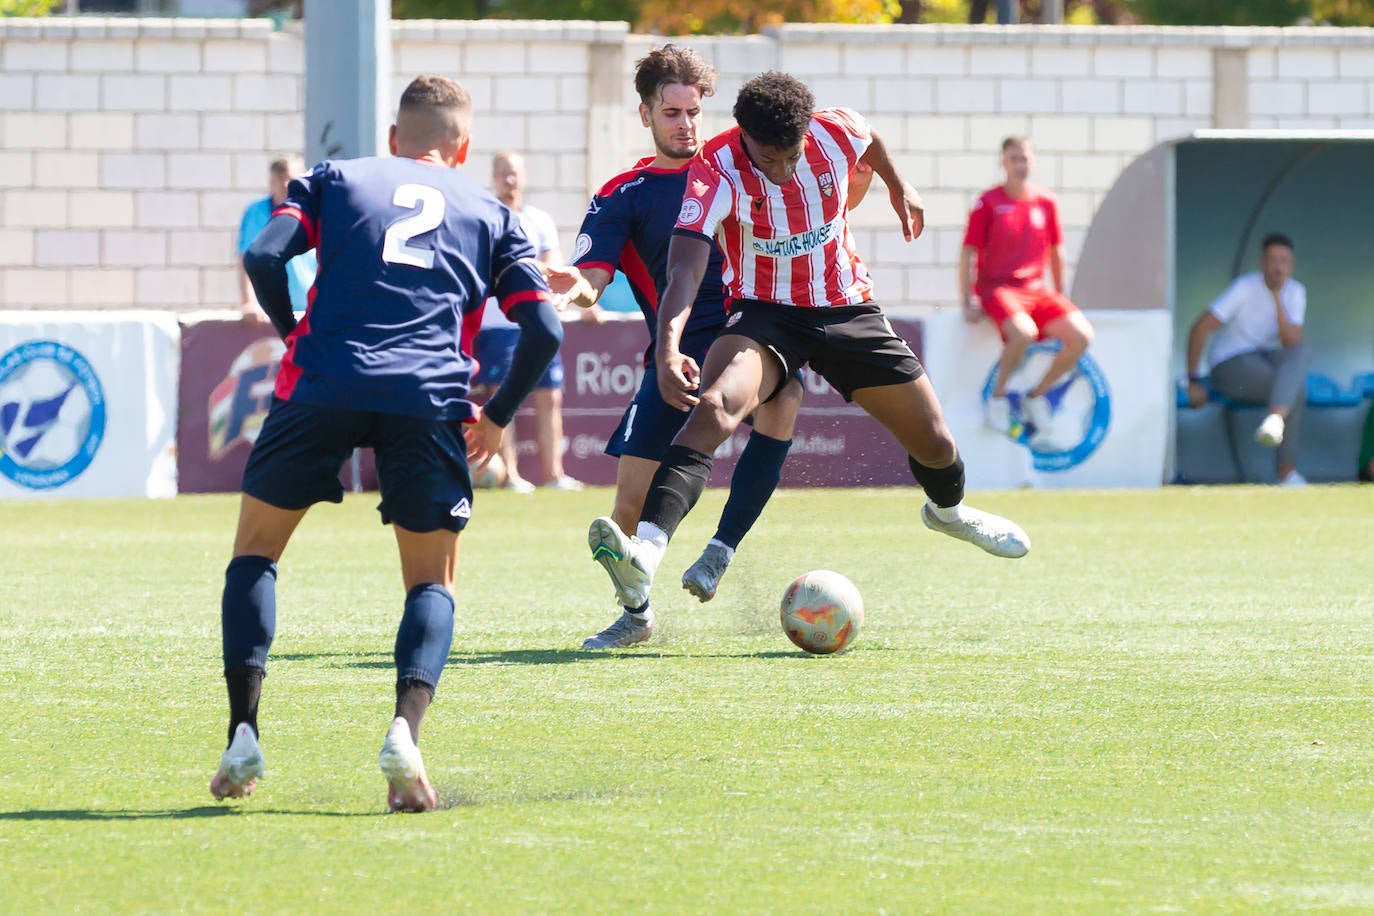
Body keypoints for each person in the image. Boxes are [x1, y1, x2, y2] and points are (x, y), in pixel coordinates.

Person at [212, 75, 562, 812]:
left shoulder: (333, 178)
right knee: (431, 584)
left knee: (254, 554)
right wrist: (496, 417)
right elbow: (546, 330)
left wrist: (293, 337)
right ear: (462, 148)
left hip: (320, 382)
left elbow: (264, 259)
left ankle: (244, 734)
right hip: (428, 399)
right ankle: (405, 735)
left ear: (395, 139)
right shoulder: (494, 213)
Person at [585, 71, 1030, 618]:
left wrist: (898, 184)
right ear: (744, 136)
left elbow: (871, 139)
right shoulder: (715, 168)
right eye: (770, 159)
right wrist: (667, 346)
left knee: (935, 441)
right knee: (717, 407)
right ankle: (644, 559)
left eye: (791, 156)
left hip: (846, 307)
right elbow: (684, 266)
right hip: (764, 313)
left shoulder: (835, 130)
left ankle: (950, 513)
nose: (783, 170)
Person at [548, 45, 805, 650]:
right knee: (626, 507)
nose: (685, 124)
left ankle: (720, 550)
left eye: (693, 112)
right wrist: (578, 288)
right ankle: (636, 612)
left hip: (752, 335)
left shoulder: (737, 168)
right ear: (645, 115)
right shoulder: (624, 193)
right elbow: (597, 274)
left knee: (784, 396)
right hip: (676, 353)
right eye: (671, 113)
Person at [959, 136, 1095, 442]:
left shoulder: (1046, 201)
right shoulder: (988, 202)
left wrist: (1060, 292)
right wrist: (967, 301)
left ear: (1032, 162)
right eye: (1014, 159)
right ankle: (997, 399)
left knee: (1082, 336)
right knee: (1024, 333)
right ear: (1003, 163)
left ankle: (1036, 396)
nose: (1020, 165)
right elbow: (968, 253)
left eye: (1024, 159)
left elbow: (1056, 251)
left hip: (1038, 290)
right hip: (999, 289)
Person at [471, 150, 585, 493]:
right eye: (503, 173)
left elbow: (553, 264)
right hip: (496, 323)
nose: (509, 179)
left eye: (514, 173)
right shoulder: (486, 217)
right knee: (501, 395)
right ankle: (512, 476)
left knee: (549, 397)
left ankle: (553, 474)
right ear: (493, 176)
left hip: (536, 319)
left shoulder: (540, 219)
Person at [1184, 232, 1307, 487]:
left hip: (1263, 359)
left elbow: (1292, 342)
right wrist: (1193, 380)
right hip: (1229, 365)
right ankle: (1287, 473)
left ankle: (1275, 420)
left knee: (1301, 354)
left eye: (1284, 261)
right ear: (1262, 262)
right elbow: (1200, 328)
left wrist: (1276, 298)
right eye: (1272, 261)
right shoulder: (1244, 287)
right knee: (1295, 389)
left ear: (1291, 265)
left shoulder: (1295, 292)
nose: (1278, 267)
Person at [238, 155, 317, 323]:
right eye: (280, 179)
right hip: (270, 313)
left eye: (291, 179)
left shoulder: (315, 210)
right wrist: (249, 302)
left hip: (312, 311)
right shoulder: (257, 212)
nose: (286, 185)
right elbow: (247, 258)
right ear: (271, 182)